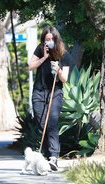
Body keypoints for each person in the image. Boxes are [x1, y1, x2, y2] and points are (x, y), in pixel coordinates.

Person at [29, 25, 71, 171]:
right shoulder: (40, 49)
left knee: (52, 123)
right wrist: (44, 58)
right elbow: (30, 66)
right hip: (39, 92)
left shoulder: (63, 54)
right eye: (46, 39)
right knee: (42, 125)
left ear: (56, 38)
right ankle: (47, 156)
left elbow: (65, 79)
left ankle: (53, 156)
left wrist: (58, 70)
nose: (49, 41)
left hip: (55, 93)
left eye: (51, 39)